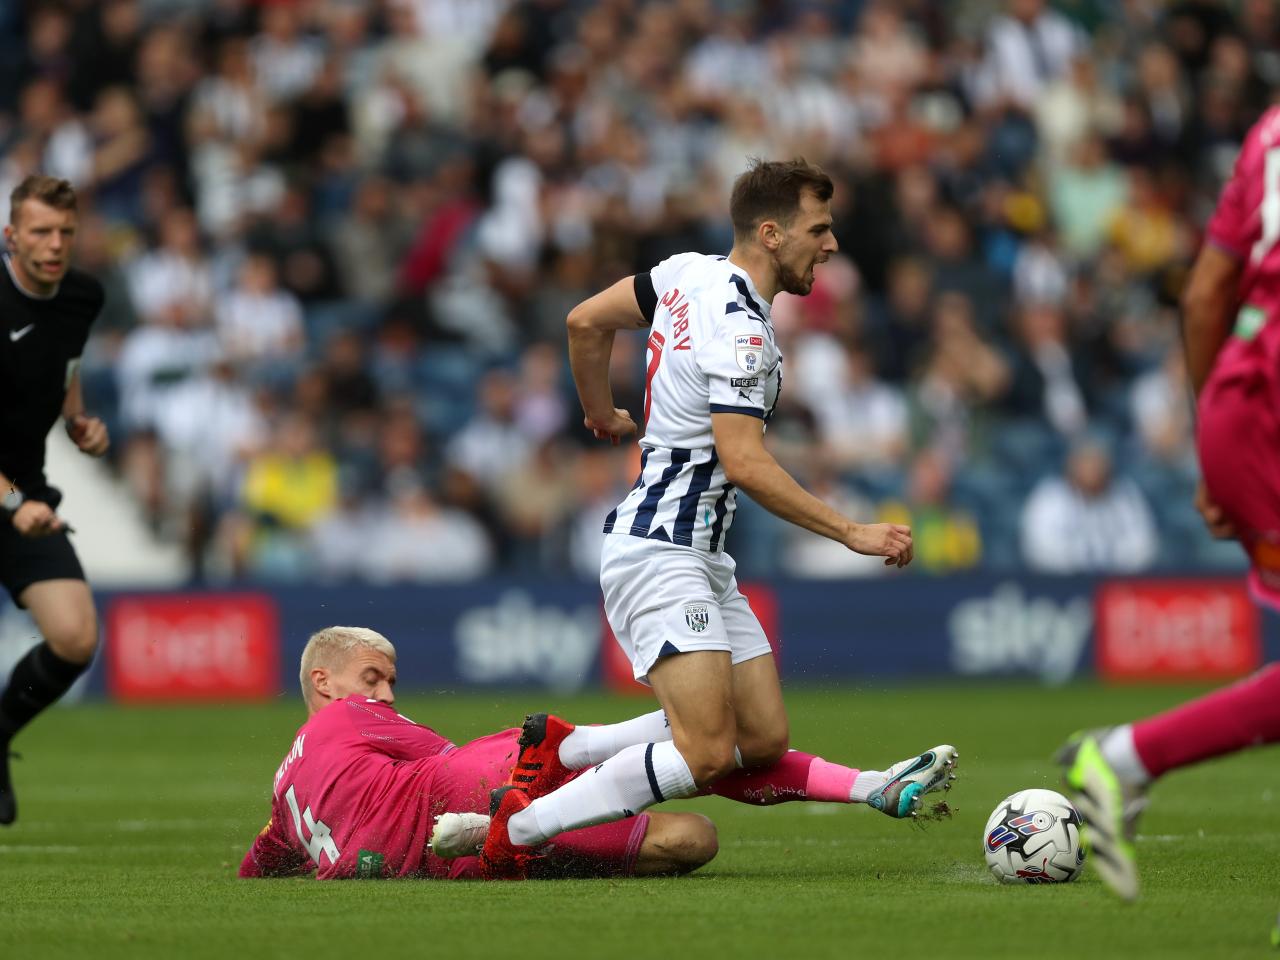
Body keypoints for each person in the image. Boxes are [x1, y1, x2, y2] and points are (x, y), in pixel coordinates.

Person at [473, 158, 956, 878]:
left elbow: (583, 321)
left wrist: (599, 411)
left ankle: (567, 750)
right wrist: (853, 530)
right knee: (703, 751)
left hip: (700, 556)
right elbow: (746, 462)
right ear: (770, 232)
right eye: (818, 230)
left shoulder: (685, 273)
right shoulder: (741, 330)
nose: (829, 245)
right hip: (659, 550)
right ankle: (521, 829)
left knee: (760, 739)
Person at [243, 626, 945, 880]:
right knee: (693, 826)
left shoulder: (286, 787)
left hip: (459, 820)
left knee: (693, 806)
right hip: (473, 792)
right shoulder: (350, 718)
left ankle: (600, 748)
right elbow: (451, 757)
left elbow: (261, 862)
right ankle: (867, 785)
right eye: (373, 679)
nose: (387, 694)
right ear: (322, 680)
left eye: (390, 680)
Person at [1059, 105, 1280, 904]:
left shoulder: (1266, 133)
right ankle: (1125, 758)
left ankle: (1125, 759)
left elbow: (1205, 293)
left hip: (1244, 406)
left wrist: (1216, 442)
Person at [0, 175, 109, 826]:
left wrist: (78, 420)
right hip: (14, 499)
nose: (55, 244)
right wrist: (15, 506)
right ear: (10, 236)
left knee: (74, 637)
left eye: (65, 232)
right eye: (40, 231)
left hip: (23, 488)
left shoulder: (82, 296)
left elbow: (64, 360)